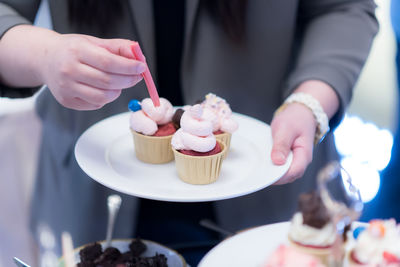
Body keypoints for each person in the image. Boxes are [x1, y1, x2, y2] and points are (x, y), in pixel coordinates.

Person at [0, 0, 378, 265]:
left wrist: (310, 102)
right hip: (93, 200)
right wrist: (43, 54)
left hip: (264, 192)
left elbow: (343, 8)